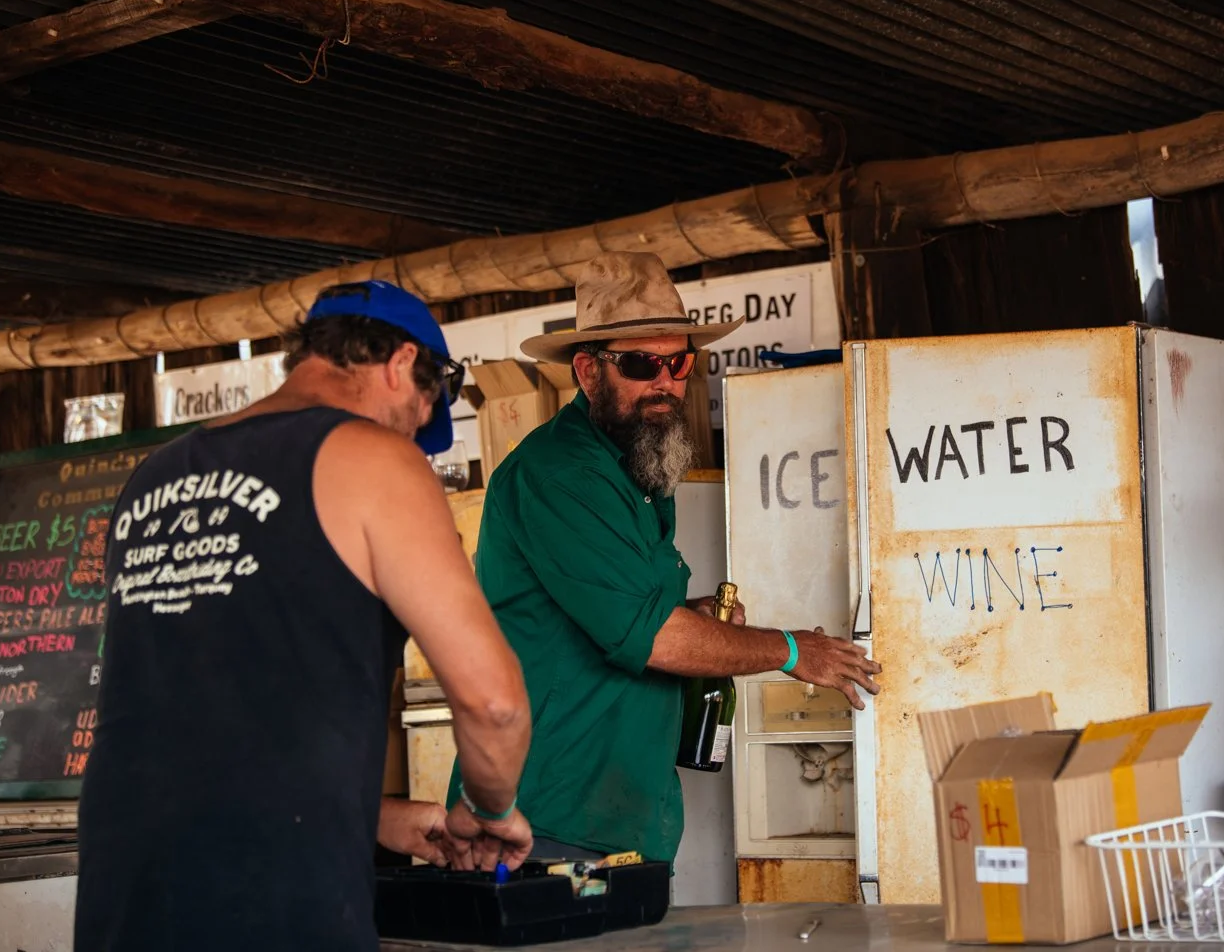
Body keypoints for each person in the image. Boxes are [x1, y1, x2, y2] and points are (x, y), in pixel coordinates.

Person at [76, 281, 533, 952]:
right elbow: (494, 703)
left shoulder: (153, 478)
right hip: (273, 897)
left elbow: (208, 722)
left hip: (124, 896)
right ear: (401, 364)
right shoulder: (375, 458)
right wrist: (489, 811)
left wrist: (371, 817)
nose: (413, 432)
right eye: (419, 409)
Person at [447, 252, 881, 865]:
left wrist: (694, 613)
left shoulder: (638, 464)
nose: (666, 381)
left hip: (614, 815)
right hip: (542, 817)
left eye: (678, 362)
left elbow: (628, 607)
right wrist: (790, 650)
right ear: (587, 371)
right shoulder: (561, 474)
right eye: (639, 364)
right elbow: (651, 639)